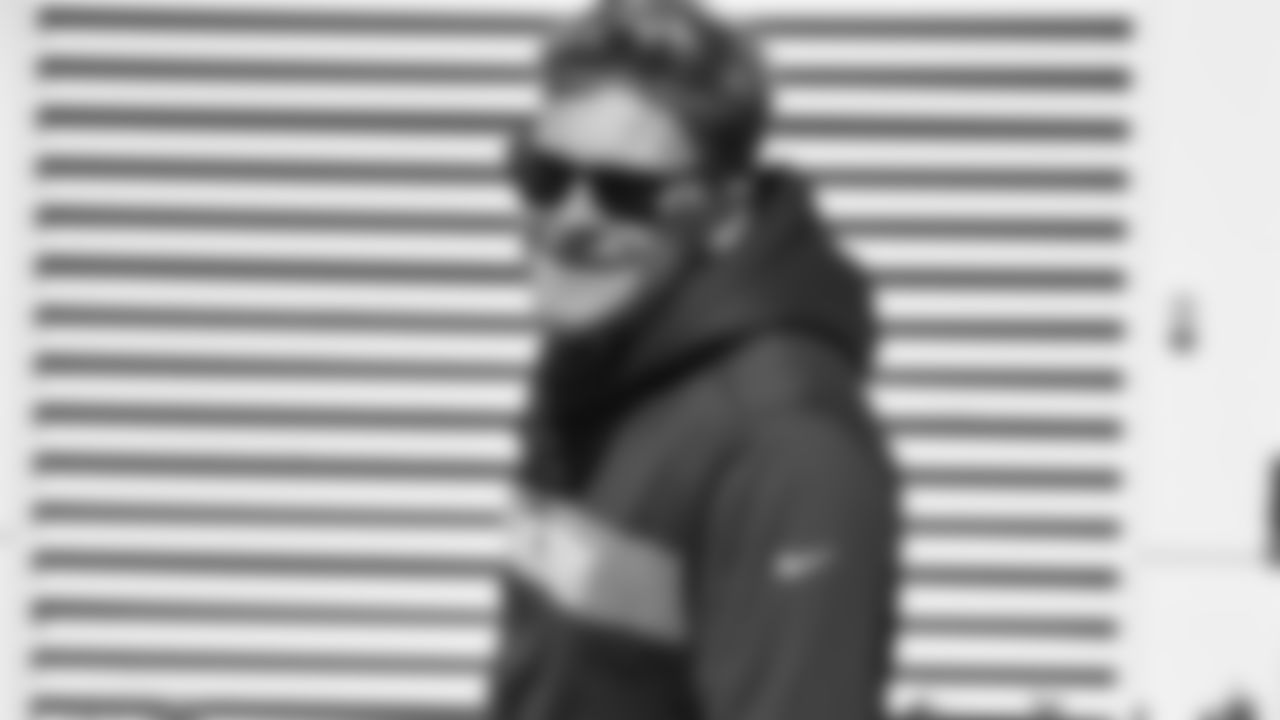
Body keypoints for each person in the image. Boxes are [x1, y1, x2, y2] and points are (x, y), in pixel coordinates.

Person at [491, 1, 901, 719]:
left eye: (628, 193)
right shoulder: (602, 367)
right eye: (545, 175)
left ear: (724, 213)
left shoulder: (785, 446)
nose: (572, 220)